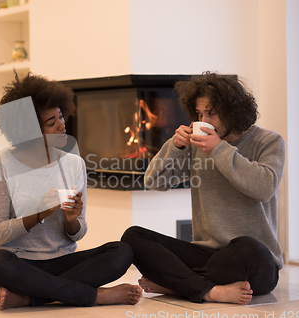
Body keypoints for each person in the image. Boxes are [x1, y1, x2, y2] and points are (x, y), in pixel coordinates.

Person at [121, 72, 285, 305]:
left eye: (211, 113)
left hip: (253, 263)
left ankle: (177, 286)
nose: (204, 120)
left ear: (233, 111)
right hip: (207, 255)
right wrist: (174, 146)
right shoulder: (197, 146)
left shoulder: (269, 141)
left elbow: (264, 187)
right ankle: (209, 290)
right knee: (133, 236)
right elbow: (153, 181)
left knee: (249, 247)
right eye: (199, 114)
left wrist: (219, 148)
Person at [0, 72, 142, 310]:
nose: (62, 124)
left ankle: (33, 298)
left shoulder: (73, 164)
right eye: (51, 123)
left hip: (64, 262)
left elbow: (78, 233)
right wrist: (38, 213)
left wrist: (71, 222)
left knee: (122, 251)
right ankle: (95, 296)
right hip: (20, 264)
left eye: (60, 116)